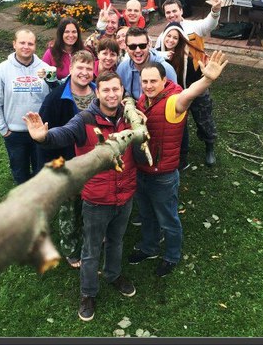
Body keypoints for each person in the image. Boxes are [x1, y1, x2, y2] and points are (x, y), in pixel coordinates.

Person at [24, 71, 139, 322]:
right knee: (90, 250)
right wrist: (44, 137)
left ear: (122, 92)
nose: (111, 94)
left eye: (115, 90)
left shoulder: (130, 117)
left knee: (117, 241)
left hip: (125, 193)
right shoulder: (84, 120)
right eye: (106, 90)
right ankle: (88, 292)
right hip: (97, 199)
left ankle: (113, 274)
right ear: (98, 93)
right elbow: (63, 134)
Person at [128, 52, 228, 276]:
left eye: (153, 81)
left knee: (168, 220)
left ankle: (172, 256)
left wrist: (207, 80)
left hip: (162, 176)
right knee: (146, 215)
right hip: (142, 171)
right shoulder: (144, 100)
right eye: (145, 81)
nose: (149, 85)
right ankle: (149, 247)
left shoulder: (174, 101)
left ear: (164, 81)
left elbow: (189, 94)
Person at [38, 50, 97, 268]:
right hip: (67, 164)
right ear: (70, 69)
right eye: (79, 68)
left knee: (92, 204)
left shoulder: (98, 93)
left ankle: (94, 237)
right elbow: (44, 137)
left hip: (93, 162)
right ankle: (72, 249)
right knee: (69, 208)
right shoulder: (55, 99)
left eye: (88, 69)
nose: (84, 73)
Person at [0, 28, 52, 185]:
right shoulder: (1, 70)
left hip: (39, 131)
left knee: (41, 170)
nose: (26, 47)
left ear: (35, 46)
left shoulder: (46, 69)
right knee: (19, 170)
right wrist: (3, 128)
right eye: (22, 42)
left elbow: (53, 97)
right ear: (14, 44)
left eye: (30, 43)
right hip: (14, 132)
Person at [160, 23, 218, 167]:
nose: (171, 40)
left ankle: (209, 146)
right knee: (178, 124)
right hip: (175, 96)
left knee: (204, 120)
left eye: (175, 38)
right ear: (163, 37)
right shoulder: (156, 55)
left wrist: (206, 73)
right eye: (169, 36)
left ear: (180, 40)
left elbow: (202, 77)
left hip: (196, 91)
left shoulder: (189, 57)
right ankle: (181, 153)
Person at [116, 26, 177, 99]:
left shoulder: (166, 69)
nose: (138, 50)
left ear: (149, 45)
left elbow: (175, 98)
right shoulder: (122, 69)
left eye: (142, 46)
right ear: (126, 48)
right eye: (132, 46)